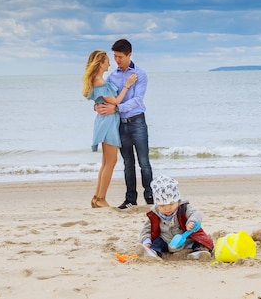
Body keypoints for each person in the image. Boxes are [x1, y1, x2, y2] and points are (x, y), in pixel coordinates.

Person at [95, 39, 153, 210]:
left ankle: (149, 196)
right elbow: (107, 96)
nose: (116, 60)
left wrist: (117, 108)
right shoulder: (112, 76)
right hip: (120, 124)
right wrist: (98, 105)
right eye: (114, 56)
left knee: (144, 162)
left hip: (138, 122)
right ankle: (130, 199)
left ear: (129, 54)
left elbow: (137, 100)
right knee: (128, 163)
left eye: (120, 56)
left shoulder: (140, 74)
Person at [83, 50, 137, 208]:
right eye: (107, 61)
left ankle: (96, 197)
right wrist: (128, 85)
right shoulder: (100, 82)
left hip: (104, 120)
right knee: (111, 162)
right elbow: (116, 101)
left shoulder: (96, 81)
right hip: (108, 122)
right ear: (100, 63)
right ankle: (100, 199)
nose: (110, 63)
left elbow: (103, 101)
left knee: (105, 162)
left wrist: (97, 105)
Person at [139, 175, 214, 260]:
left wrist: (192, 221)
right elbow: (146, 230)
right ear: (157, 204)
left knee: (199, 243)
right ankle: (153, 253)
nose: (167, 208)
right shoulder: (154, 214)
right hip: (166, 242)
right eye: (162, 205)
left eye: (171, 204)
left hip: (186, 240)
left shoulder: (184, 208)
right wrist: (146, 241)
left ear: (178, 201)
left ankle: (197, 253)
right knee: (156, 243)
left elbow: (196, 214)